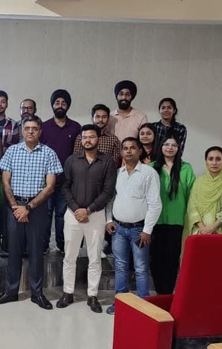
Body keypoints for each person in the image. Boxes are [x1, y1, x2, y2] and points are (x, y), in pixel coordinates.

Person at [0, 116, 61, 310]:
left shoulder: (49, 153)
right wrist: (15, 207)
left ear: (40, 131)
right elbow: (5, 182)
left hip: (37, 210)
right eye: (27, 128)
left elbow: (50, 187)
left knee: (37, 251)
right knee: (13, 250)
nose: (30, 131)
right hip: (14, 207)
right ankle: (11, 291)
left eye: (34, 128)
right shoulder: (12, 151)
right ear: (22, 131)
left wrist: (28, 208)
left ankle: (37, 293)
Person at [55, 125, 117, 313]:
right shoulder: (72, 160)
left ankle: (92, 295)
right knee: (69, 256)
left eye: (91, 137)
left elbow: (108, 191)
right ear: (81, 140)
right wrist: (76, 209)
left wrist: (88, 210)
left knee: (94, 257)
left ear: (98, 139)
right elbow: (64, 187)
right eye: (85, 137)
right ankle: (68, 292)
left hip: (96, 216)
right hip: (73, 215)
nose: (88, 140)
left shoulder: (107, 162)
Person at [105, 138, 162, 315]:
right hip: (119, 230)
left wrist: (147, 230)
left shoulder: (149, 173)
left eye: (132, 148)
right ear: (121, 152)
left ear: (139, 151)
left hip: (139, 230)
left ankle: (144, 306)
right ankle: (120, 302)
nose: (129, 151)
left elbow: (155, 204)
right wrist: (108, 220)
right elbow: (110, 199)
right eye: (125, 148)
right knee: (120, 266)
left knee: (140, 268)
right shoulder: (118, 173)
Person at [149, 134, 195, 295]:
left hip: (177, 220)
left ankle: (168, 292)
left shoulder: (186, 168)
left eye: (174, 145)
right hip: (156, 220)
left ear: (179, 148)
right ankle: (159, 291)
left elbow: (191, 195)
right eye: (166, 144)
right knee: (156, 258)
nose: (170, 147)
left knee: (172, 258)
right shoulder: (152, 167)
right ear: (160, 147)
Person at [40, 89, 81, 254]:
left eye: (63, 103)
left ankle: (62, 245)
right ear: (52, 105)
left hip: (67, 180)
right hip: (47, 181)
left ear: (68, 106)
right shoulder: (44, 126)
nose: (60, 105)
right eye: (57, 102)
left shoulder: (76, 127)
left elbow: (78, 154)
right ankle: (43, 245)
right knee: (46, 213)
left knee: (62, 215)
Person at [0, 98, 32, 257]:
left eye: (30, 108)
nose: (26, 111)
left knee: (9, 208)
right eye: (24, 108)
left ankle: (14, 243)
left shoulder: (13, 125)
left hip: (13, 173)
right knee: (0, 208)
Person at [184, 147, 222, 238]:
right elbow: (192, 207)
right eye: (210, 159)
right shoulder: (199, 181)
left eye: (218, 159)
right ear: (206, 161)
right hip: (199, 231)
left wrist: (212, 228)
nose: (214, 163)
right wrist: (202, 228)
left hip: (220, 231)